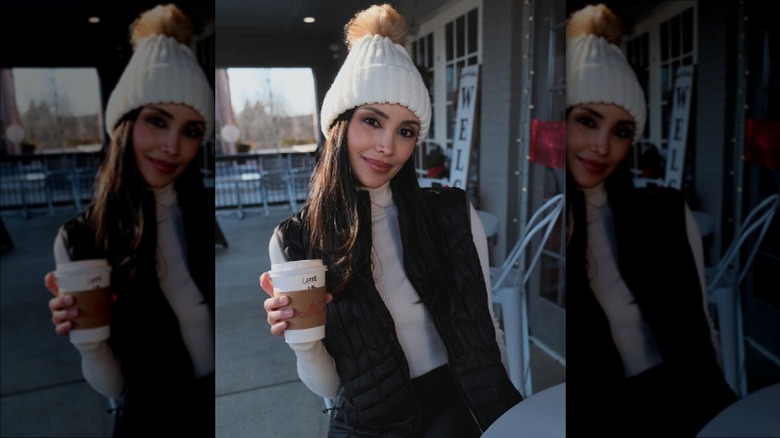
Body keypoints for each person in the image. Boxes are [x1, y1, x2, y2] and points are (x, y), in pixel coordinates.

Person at [259, 4, 522, 437]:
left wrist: (501, 417)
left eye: (406, 130)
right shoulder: (296, 239)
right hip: (370, 421)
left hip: (458, 404)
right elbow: (329, 386)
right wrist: (301, 338)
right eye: (371, 121)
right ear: (338, 125)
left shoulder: (450, 212)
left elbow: (485, 329)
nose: (387, 146)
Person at [564, 4, 738, 436]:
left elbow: (702, 332)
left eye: (621, 131)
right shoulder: (555, 224)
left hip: (681, 407)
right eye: (587, 121)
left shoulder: (664, 213)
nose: (602, 146)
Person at [44, 4, 215, 437]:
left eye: (191, 130)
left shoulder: (203, 211)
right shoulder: (82, 238)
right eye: (156, 121)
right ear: (124, 124)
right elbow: (114, 387)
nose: (171, 146)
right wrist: (89, 340)